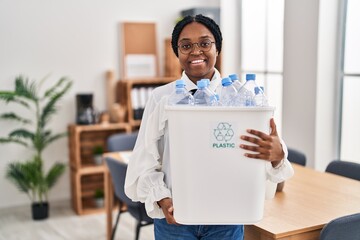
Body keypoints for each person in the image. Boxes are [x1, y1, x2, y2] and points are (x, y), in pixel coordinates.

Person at [125, 14, 294, 240]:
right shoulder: (162, 98)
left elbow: (262, 155)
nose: (196, 52)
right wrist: (162, 199)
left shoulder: (241, 97)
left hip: (227, 218)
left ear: (218, 48)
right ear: (177, 52)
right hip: (176, 219)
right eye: (186, 46)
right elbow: (145, 161)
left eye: (205, 43)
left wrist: (277, 155)